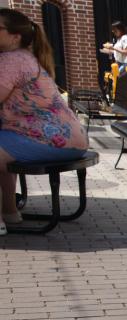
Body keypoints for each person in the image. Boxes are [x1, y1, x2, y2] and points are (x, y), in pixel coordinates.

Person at [0, 8, 87, 235]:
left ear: (15, 36)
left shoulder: (11, 60)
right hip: (70, 138)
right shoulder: (26, 57)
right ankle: (9, 212)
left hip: (48, 140)